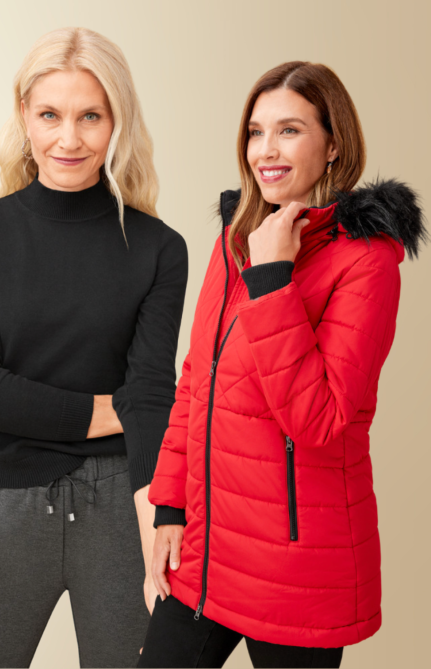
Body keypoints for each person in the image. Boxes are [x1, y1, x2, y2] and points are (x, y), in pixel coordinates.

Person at [141, 61, 425, 668]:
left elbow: (319, 420)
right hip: (209, 551)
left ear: (333, 145)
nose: (265, 151)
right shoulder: (236, 236)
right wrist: (170, 507)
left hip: (298, 571)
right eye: (254, 132)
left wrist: (272, 279)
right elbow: (197, 380)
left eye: (289, 130)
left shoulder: (368, 262)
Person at [0, 27, 188, 669]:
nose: (69, 139)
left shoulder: (160, 249)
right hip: (4, 504)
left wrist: (158, 527)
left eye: (90, 117)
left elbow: (155, 400)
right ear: (24, 115)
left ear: (117, 122)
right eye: (50, 115)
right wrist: (117, 408)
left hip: (120, 507)